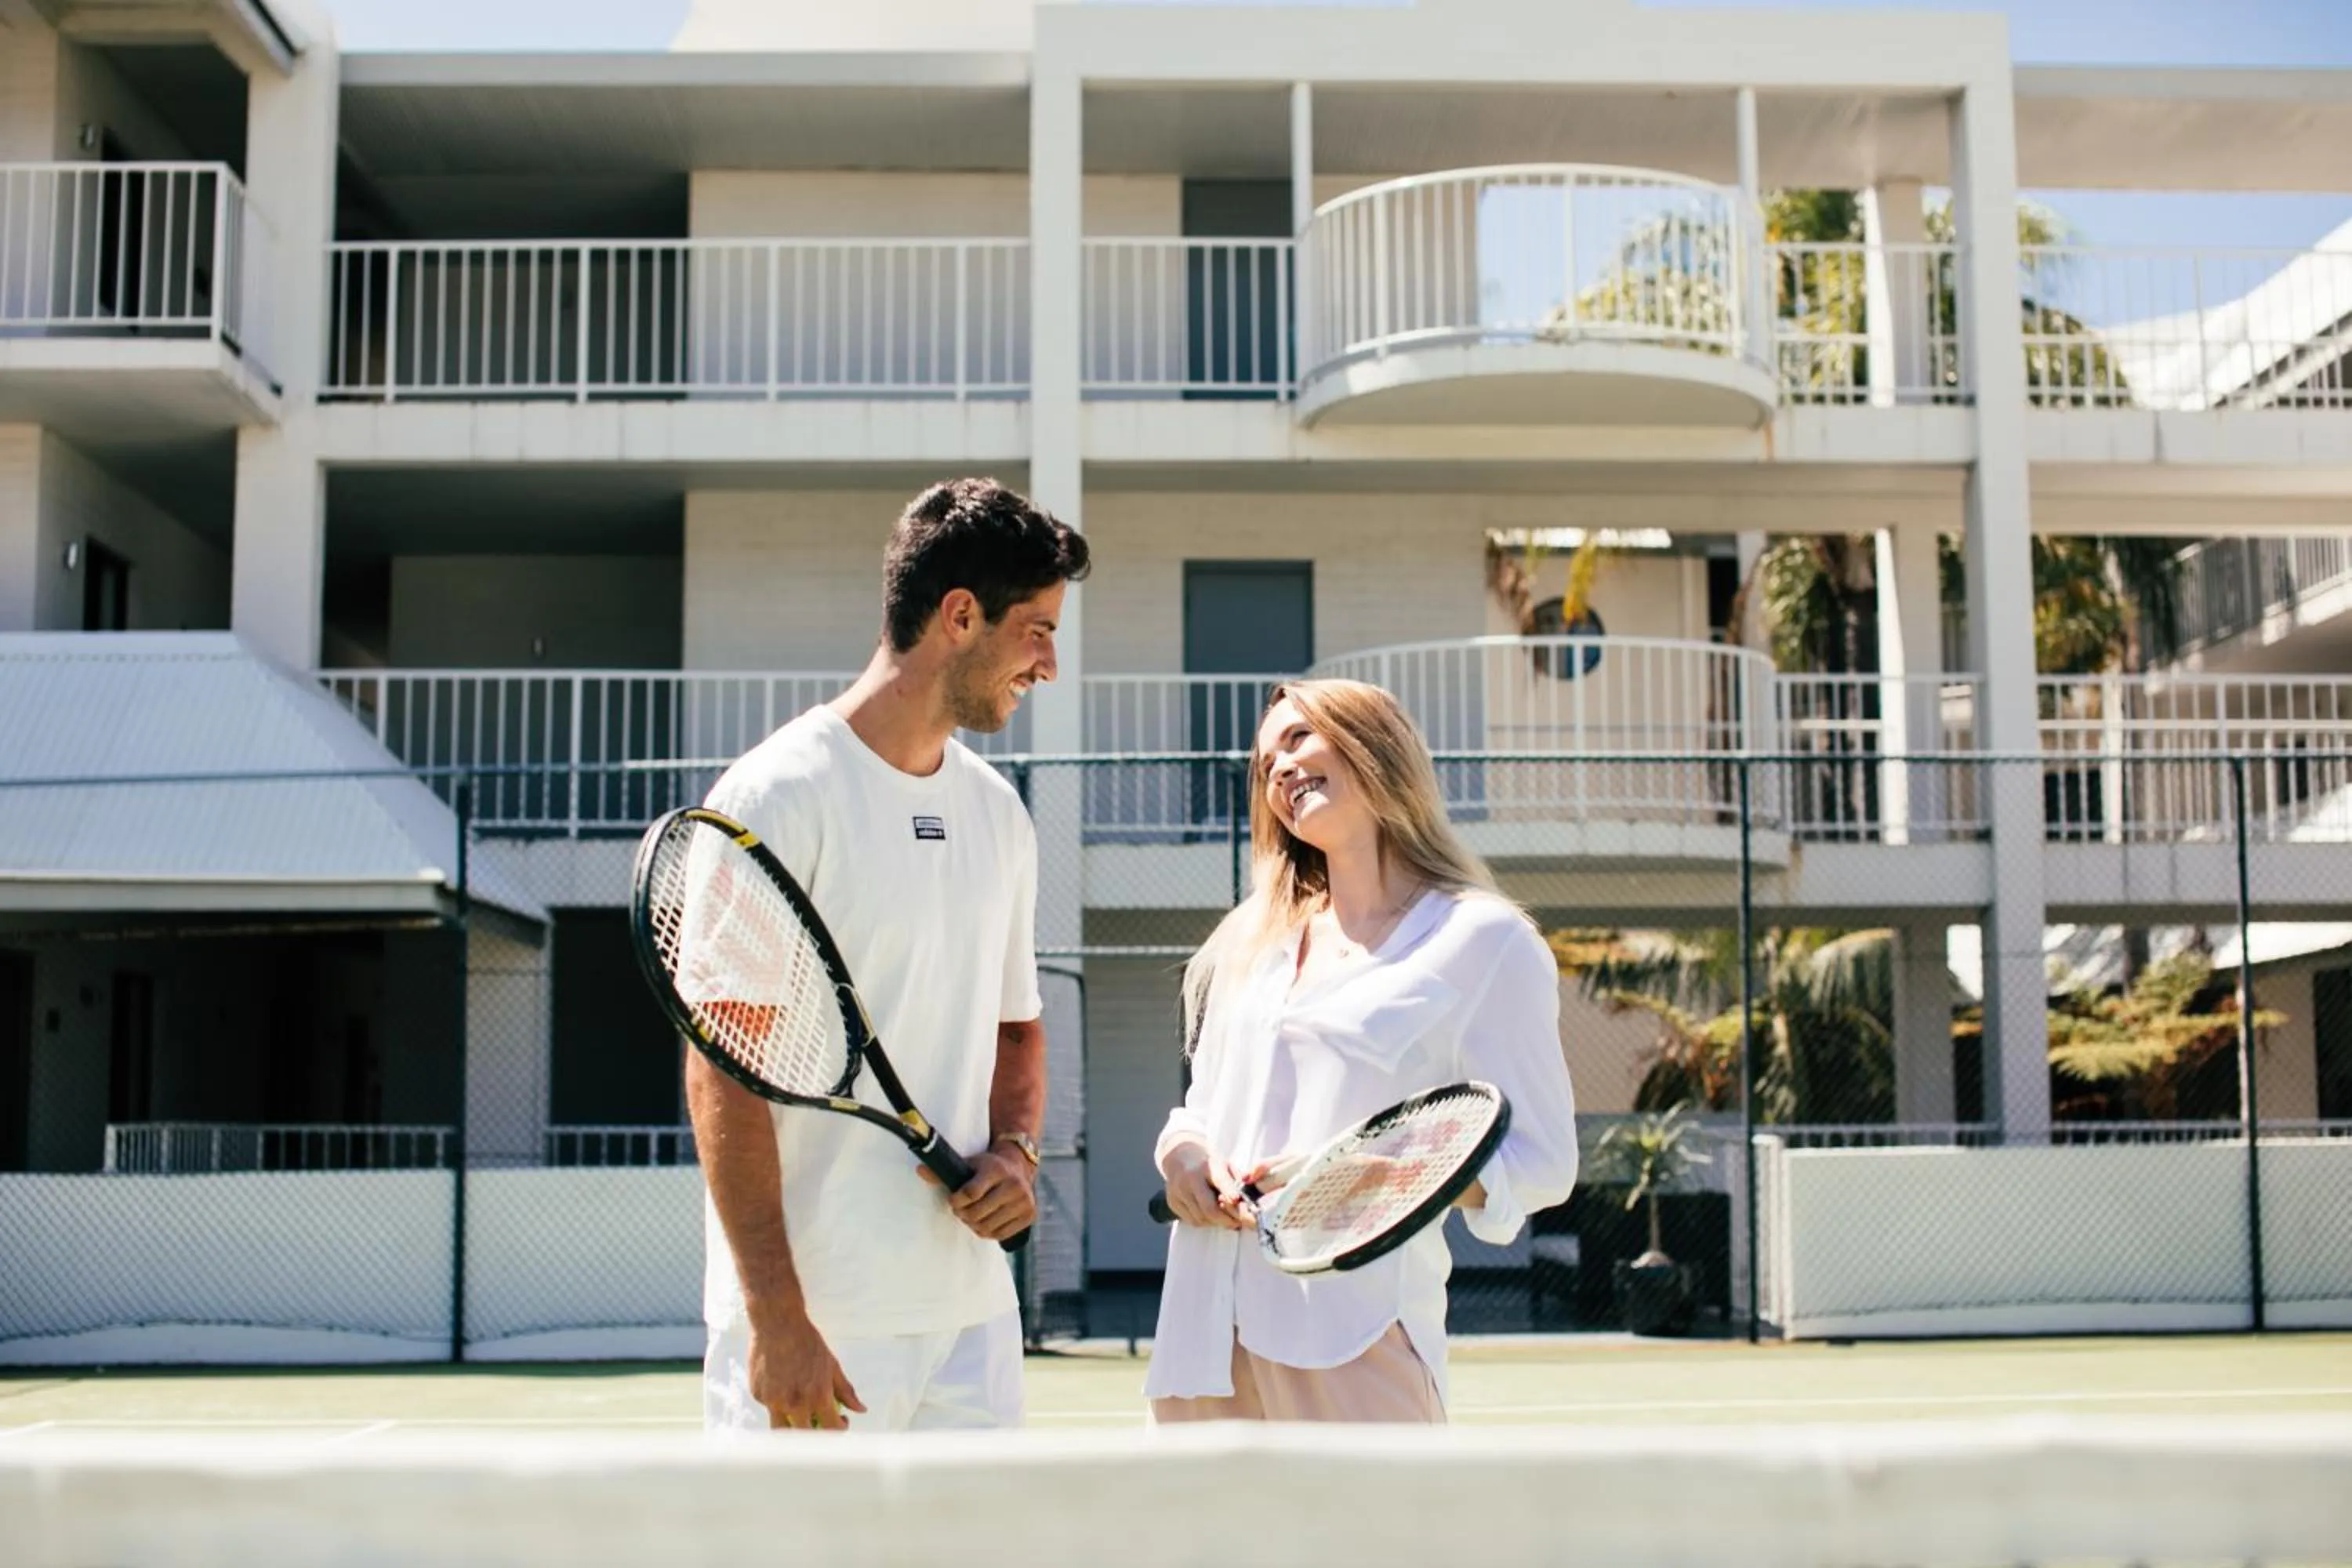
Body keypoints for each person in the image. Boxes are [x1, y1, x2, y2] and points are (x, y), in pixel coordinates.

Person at [691, 477, 1088, 1434]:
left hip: (970, 1322)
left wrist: (1017, 1152)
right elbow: (723, 1077)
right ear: (960, 615)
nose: (1050, 663)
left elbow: (1016, 1029)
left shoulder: (999, 813)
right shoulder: (775, 797)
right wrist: (775, 1314)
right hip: (821, 1327)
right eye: (1036, 628)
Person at [1146, 678, 1579, 1424]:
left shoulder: (1484, 940)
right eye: (1264, 762)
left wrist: (1392, 1180)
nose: (1278, 768)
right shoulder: (1253, 939)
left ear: (1375, 744)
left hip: (1353, 1337)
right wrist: (1183, 1160)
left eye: (1297, 739)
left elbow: (1543, 1165)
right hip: (1201, 1341)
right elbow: (1201, 1111)